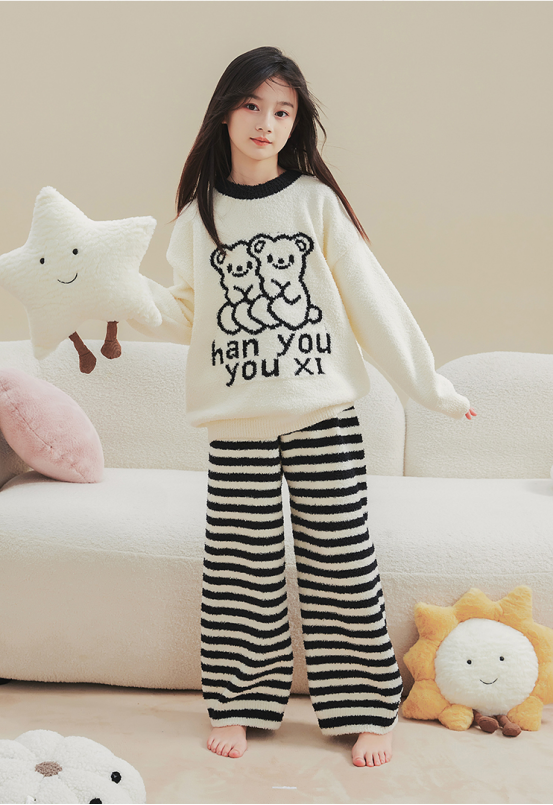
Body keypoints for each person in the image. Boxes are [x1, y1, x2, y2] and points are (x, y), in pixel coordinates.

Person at [129, 45, 477, 767]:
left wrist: (431, 387)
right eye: (252, 106)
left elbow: (372, 299)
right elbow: (187, 314)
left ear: (297, 122)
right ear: (224, 113)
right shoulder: (196, 218)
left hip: (323, 415)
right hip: (237, 424)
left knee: (340, 559)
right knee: (240, 570)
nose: (267, 123)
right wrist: (115, 296)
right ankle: (237, 704)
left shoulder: (315, 202)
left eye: (283, 111)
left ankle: (366, 707)